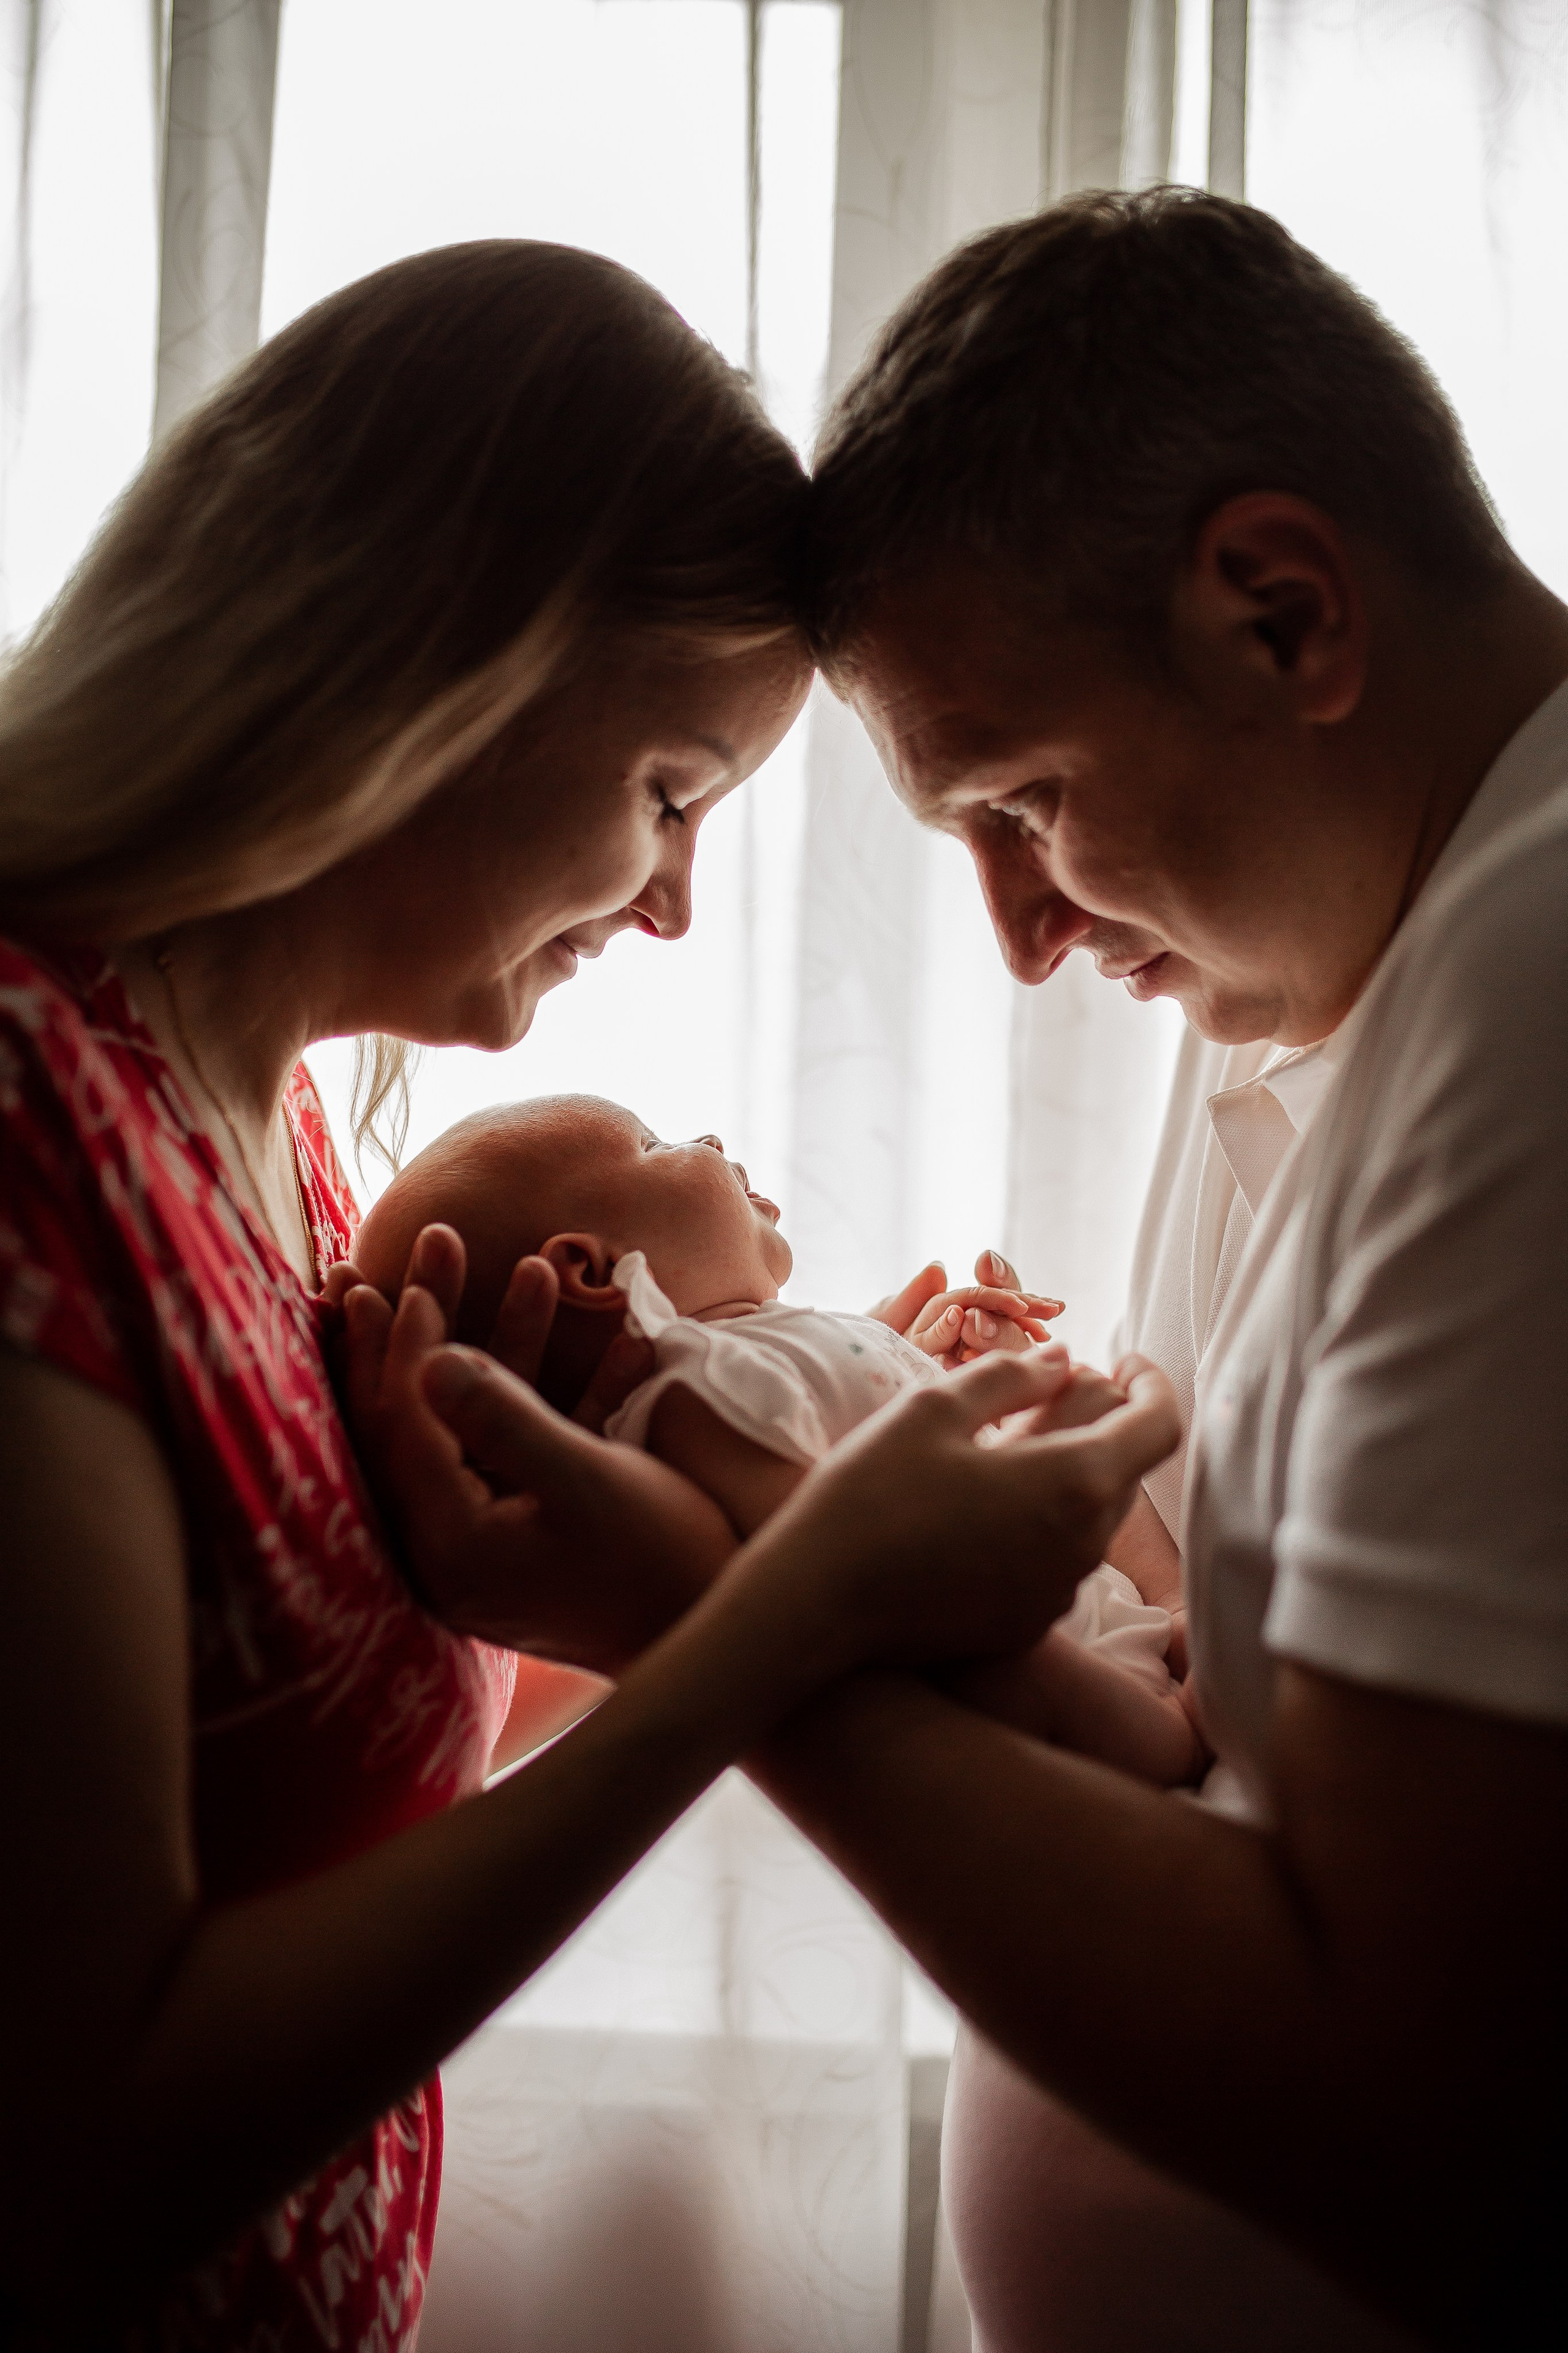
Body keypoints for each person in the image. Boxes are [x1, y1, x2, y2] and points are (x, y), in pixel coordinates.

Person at [373, 188, 1568, 2349]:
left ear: (1283, 612)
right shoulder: (1339, 1001)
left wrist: (707, 1601)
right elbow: (1222, 1723)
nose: (1020, 938)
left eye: (1023, 799)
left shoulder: (1546, 994)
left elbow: (1416, 2107)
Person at [0, 237, 1178, 2347]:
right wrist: (776, 1618)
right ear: (432, 666)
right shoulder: (26, 1123)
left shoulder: (286, 1150)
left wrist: (721, 1485)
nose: (666, 901)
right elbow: (93, 2130)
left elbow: (304, 1787)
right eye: (666, 791)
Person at [354, 1093, 1199, 1782]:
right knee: (1035, 1634)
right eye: (657, 1142)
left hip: (1082, 1610)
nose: (711, 1136)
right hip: (1058, 1670)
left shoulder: (744, 1354)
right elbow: (827, 1554)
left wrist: (909, 1373)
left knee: (1076, 1461)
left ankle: (1171, 1605)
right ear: (596, 1270)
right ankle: (1167, 1728)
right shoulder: (691, 1396)